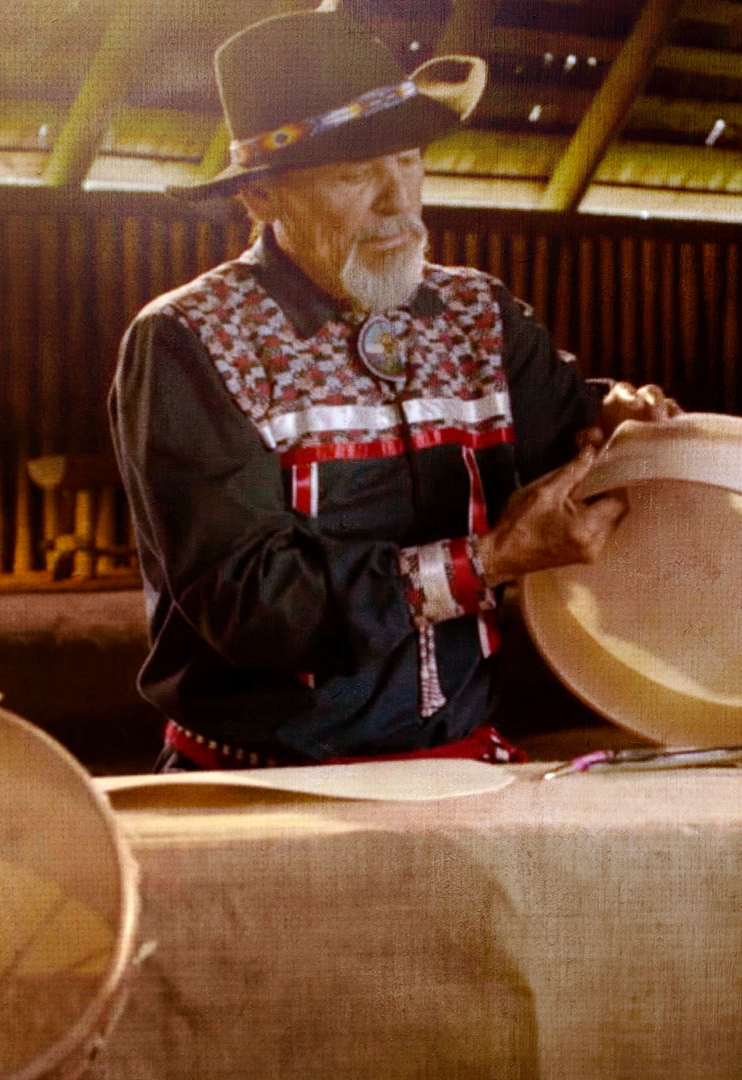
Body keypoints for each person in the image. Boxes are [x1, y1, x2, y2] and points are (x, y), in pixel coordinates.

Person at [110, 9, 676, 770]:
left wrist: (618, 428)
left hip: (462, 767)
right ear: (262, 197)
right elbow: (254, 602)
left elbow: (575, 450)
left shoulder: (479, 314)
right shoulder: (190, 338)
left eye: (408, 161)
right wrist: (487, 560)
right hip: (264, 784)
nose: (397, 199)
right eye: (355, 174)